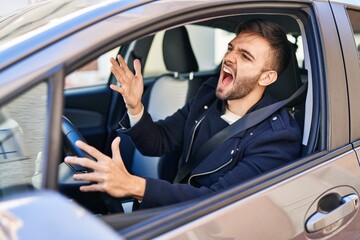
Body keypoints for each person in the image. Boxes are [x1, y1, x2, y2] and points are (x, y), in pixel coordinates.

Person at [65, 19, 302, 209]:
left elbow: (218, 202)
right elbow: (158, 143)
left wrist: (133, 185)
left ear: (267, 77)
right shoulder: (207, 97)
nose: (229, 57)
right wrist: (135, 106)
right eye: (231, 48)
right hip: (175, 208)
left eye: (245, 56)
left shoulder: (277, 138)